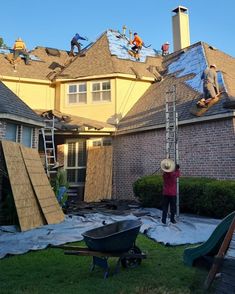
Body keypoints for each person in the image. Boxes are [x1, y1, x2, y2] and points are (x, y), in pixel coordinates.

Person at [161, 159, 180, 224]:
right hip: (172, 194)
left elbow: (169, 173)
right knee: (173, 208)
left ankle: (163, 220)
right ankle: (172, 220)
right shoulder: (173, 174)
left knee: (165, 207)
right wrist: (177, 169)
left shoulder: (164, 175)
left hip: (165, 193)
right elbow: (178, 174)